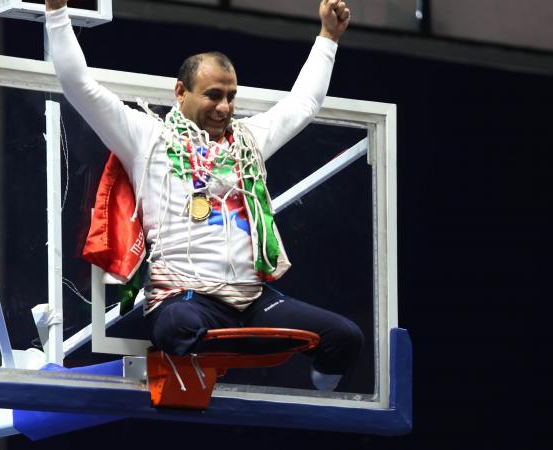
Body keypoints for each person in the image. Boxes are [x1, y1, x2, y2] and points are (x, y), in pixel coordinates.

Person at [44, 0, 363, 391]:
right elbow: (79, 85)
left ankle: (319, 409)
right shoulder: (147, 137)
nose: (224, 107)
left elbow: (303, 104)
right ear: (181, 92)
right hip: (185, 300)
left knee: (345, 338)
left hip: (251, 300)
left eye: (231, 96)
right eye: (213, 95)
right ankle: (228, 353)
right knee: (180, 328)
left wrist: (328, 38)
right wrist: (58, 12)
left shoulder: (249, 140)